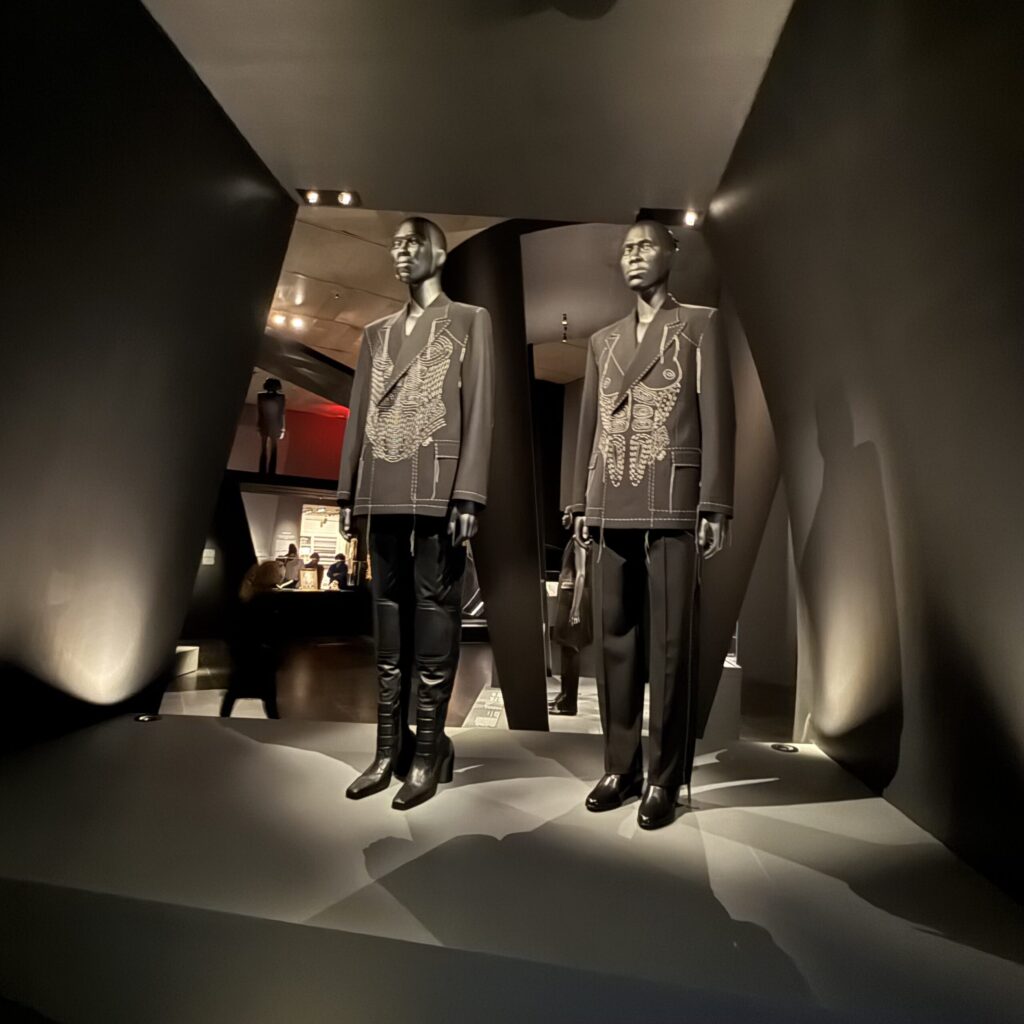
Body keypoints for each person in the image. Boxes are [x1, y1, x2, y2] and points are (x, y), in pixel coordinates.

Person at [568, 220, 735, 830]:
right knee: (615, 640)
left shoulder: (699, 325)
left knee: (668, 646)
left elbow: (720, 415)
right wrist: (577, 502)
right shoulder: (602, 341)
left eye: (645, 246)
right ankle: (621, 767)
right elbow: (588, 424)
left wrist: (715, 502)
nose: (634, 255)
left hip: (671, 497)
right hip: (610, 495)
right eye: (627, 248)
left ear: (672, 253)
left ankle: (665, 776)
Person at [337, 216, 494, 810]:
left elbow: (480, 409)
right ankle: (387, 749)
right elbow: (358, 412)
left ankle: (428, 751)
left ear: (440, 253)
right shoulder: (376, 333)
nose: (401, 252)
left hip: (436, 483)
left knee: (434, 616)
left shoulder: (469, 320)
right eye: (396, 244)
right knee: (387, 621)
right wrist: (347, 493)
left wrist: (469, 493)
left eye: (413, 243)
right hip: (381, 482)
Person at [223, 560, 284, 719]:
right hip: (261, 655)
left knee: (234, 693)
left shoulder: (249, 596)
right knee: (269, 699)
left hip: (247, 653)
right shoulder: (269, 600)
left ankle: (222, 721)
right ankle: (276, 726)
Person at [257, 378, 286, 476]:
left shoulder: (261, 396)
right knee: (270, 448)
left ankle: (264, 471)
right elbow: (281, 413)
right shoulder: (280, 397)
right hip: (272, 424)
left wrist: (282, 428)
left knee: (267, 448)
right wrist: (282, 428)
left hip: (268, 424)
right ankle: (269, 471)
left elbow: (261, 412)